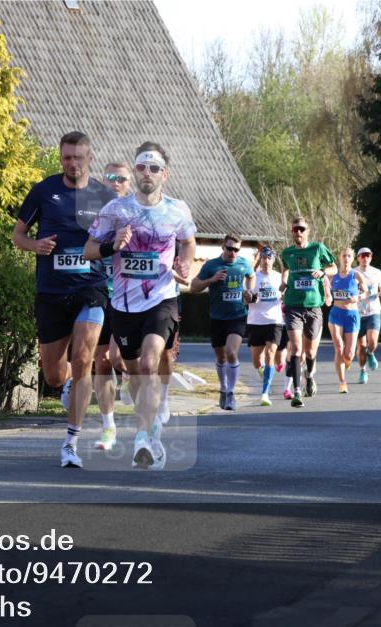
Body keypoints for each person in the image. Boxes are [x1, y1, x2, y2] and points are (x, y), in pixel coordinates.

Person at [84, 142, 196, 470]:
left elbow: (188, 242)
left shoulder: (178, 210)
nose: (148, 173)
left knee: (149, 364)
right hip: (122, 304)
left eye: (154, 168)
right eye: (142, 167)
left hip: (162, 298)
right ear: (135, 172)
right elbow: (89, 249)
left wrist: (185, 264)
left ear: (165, 174)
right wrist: (111, 245)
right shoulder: (115, 210)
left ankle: (143, 440)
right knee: (134, 373)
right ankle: (151, 428)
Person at [13, 132, 114, 466]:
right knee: (54, 376)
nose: (73, 163)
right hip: (52, 290)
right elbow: (18, 235)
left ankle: (71, 442)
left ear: (90, 158)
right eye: (67, 157)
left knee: (85, 358)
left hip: (91, 287)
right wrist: (35, 246)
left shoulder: (104, 195)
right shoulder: (43, 191)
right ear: (61, 159)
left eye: (78, 157)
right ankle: (68, 382)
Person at [190, 234, 254, 411]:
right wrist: (211, 280)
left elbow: (251, 275)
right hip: (217, 318)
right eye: (230, 248)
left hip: (238, 316)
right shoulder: (212, 265)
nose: (233, 252)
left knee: (231, 352)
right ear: (223, 247)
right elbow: (193, 287)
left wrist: (249, 291)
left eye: (236, 249)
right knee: (220, 356)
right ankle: (223, 388)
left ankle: (231, 392)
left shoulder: (243, 264)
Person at [93, 161, 132, 450]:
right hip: (98, 293)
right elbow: (84, 247)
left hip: (128, 297)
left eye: (121, 178)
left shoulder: (138, 214)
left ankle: (130, 375)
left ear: (128, 183)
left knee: (119, 359)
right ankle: (108, 428)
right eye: (110, 177)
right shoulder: (94, 214)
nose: (115, 182)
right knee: (102, 361)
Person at [280, 216, 337, 408]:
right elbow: (286, 270)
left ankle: (309, 375)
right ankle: (297, 391)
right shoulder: (287, 253)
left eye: (302, 229)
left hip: (313, 306)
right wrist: (284, 281)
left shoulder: (318, 248)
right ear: (291, 231)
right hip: (293, 306)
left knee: (311, 352)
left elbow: (333, 267)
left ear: (308, 231)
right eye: (295, 229)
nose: (298, 232)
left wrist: (323, 272)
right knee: (296, 349)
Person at [246, 244, 285, 406]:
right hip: (255, 321)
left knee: (270, 354)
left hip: (274, 322)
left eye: (269, 258)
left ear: (273, 260)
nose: (266, 261)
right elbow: (245, 297)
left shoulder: (278, 277)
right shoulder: (252, 276)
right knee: (256, 361)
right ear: (260, 259)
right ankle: (262, 371)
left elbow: (284, 294)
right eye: (264, 257)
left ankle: (265, 393)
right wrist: (250, 297)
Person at [327, 248, 368, 393]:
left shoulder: (356, 275)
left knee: (349, 353)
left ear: (352, 259)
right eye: (344, 255)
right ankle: (342, 382)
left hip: (352, 315)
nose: (346, 258)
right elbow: (325, 289)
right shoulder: (333, 277)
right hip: (336, 314)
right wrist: (327, 296)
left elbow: (365, 292)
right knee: (338, 347)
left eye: (349, 256)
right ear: (339, 257)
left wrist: (358, 297)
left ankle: (347, 361)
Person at [354, 247, 381, 384]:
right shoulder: (353, 272)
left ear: (371, 257)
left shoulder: (377, 272)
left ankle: (371, 353)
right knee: (361, 345)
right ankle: (363, 371)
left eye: (368, 255)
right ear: (358, 258)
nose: (365, 258)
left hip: (373, 311)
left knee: (372, 342)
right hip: (357, 312)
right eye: (362, 256)